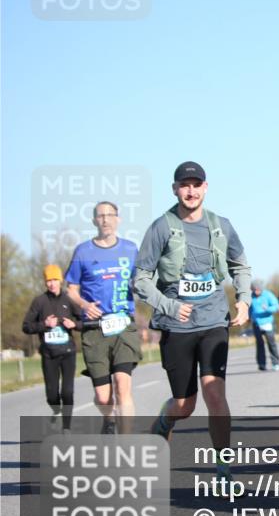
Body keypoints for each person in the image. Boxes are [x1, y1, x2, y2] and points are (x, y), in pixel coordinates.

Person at [135, 161, 252, 495]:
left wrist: (243, 300)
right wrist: (170, 306)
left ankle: (223, 466)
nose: (190, 190)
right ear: (175, 189)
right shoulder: (161, 227)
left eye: (196, 184)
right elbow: (141, 279)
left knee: (215, 392)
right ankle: (164, 420)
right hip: (176, 324)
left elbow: (240, 265)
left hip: (214, 319)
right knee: (185, 404)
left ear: (205, 187)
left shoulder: (222, 226)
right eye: (184, 185)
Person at [65, 200, 141, 435]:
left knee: (122, 386)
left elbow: (142, 280)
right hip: (94, 328)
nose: (105, 219)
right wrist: (85, 304)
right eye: (100, 216)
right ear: (94, 221)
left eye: (110, 215)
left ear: (118, 219)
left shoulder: (130, 249)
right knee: (103, 396)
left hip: (123, 325)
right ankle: (108, 419)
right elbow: (71, 289)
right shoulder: (83, 251)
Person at [22, 264, 80, 433]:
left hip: (68, 353)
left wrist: (74, 324)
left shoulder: (69, 299)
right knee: (52, 394)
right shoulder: (39, 302)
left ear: (60, 281)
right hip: (49, 354)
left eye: (55, 279)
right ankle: (56, 409)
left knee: (67, 392)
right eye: (48, 280)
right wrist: (44, 324)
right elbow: (26, 326)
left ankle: (67, 428)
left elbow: (83, 322)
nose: (52, 283)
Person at [250, 282, 279, 371]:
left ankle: (275, 363)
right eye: (254, 290)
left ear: (261, 289)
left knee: (271, 343)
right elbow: (249, 308)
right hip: (256, 323)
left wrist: (267, 308)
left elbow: (276, 306)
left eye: (258, 290)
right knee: (259, 344)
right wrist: (248, 316)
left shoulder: (268, 295)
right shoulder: (251, 296)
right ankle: (261, 364)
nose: (256, 292)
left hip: (268, 323)